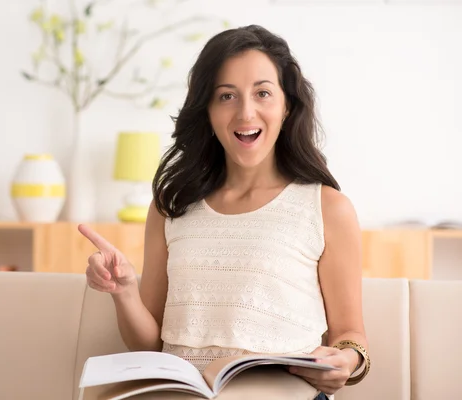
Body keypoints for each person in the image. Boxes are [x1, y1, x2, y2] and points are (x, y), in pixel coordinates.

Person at [78, 24, 371, 399]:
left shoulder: (327, 207)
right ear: (208, 111)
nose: (246, 112)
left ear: (287, 106)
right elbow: (149, 344)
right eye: (227, 96)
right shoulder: (172, 207)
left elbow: (350, 336)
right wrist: (124, 292)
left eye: (263, 93)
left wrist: (346, 362)